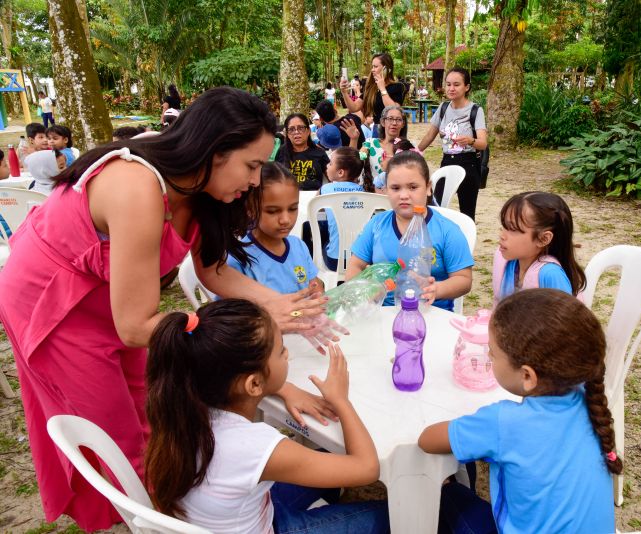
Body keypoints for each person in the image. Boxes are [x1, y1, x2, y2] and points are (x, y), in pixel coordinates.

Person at [0, 87, 335, 531]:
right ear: (215, 151)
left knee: (151, 409)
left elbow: (214, 270)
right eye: (252, 165)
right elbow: (137, 325)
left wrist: (280, 303)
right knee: (115, 432)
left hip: (114, 301)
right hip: (52, 303)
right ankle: (152, 521)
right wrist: (253, 323)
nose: (256, 180)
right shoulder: (137, 187)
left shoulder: (202, 191)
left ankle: (172, 505)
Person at [146, 299, 390, 533]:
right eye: (281, 350)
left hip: (234, 514)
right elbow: (367, 469)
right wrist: (341, 400)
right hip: (267, 526)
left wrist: (283, 388)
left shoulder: (183, 406)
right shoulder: (254, 446)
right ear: (253, 384)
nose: (287, 355)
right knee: (387, 516)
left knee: (326, 458)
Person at [418, 289, 620, 534]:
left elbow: (427, 440)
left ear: (527, 375)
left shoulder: (503, 421)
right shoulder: (588, 399)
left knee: (448, 492)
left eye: (491, 352)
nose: (488, 358)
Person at [346, 150, 473, 311]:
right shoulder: (376, 225)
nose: (404, 195)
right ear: (385, 190)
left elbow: (463, 279)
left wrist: (437, 289)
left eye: (413, 187)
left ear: (428, 188)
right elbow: (355, 266)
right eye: (395, 188)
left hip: (432, 312)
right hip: (384, 312)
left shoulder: (447, 231)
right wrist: (365, 289)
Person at [227, 162, 322, 294]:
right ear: (250, 209)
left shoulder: (298, 246)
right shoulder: (239, 259)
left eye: (293, 208)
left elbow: (314, 284)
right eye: (272, 211)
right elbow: (234, 311)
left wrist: (317, 292)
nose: (285, 220)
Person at [418, 68, 488, 221]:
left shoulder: (476, 110)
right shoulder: (443, 108)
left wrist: (471, 141)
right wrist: (415, 152)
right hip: (447, 162)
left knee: (467, 214)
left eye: (456, 84)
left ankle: (467, 243)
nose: (451, 88)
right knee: (436, 208)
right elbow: (430, 135)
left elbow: (483, 144)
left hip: (469, 164)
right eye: (448, 84)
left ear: (466, 87)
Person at [493, 192, 585, 305]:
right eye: (504, 226)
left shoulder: (550, 275)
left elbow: (567, 320)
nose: (502, 235)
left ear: (543, 239)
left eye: (512, 229)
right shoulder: (509, 263)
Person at [320, 147, 372, 271]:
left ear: (340, 173)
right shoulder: (362, 192)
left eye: (330, 163)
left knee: (323, 238)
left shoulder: (325, 189)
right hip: (361, 261)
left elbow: (316, 208)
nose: (327, 165)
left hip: (334, 261)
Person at [339, 53, 405, 133]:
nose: (372, 70)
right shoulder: (371, 89)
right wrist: (344, 92)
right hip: (377, 129)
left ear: (386, 69)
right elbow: (354, 108)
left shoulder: (397, 87)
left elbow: (394, 111)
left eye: (376, 67)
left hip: (393, 131)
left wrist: (382, 88)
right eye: (372, 66)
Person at [275, 113, 329, 191]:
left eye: (301, 128)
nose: (296, 132)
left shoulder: (319, 153)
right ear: (287, 134)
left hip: (312, 198)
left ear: (308, 131)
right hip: (286, 198)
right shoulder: (281, 152)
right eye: (291, 129)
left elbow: (333, 178)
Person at [360, 105, 407, 188]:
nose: (394, 123)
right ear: (382, 122)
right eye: (390, 119)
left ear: (403, 124)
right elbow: (357, 161)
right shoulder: (370, 143)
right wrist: (354, 139)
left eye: (398, 120)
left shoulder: (408, 147)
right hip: (373, 193)